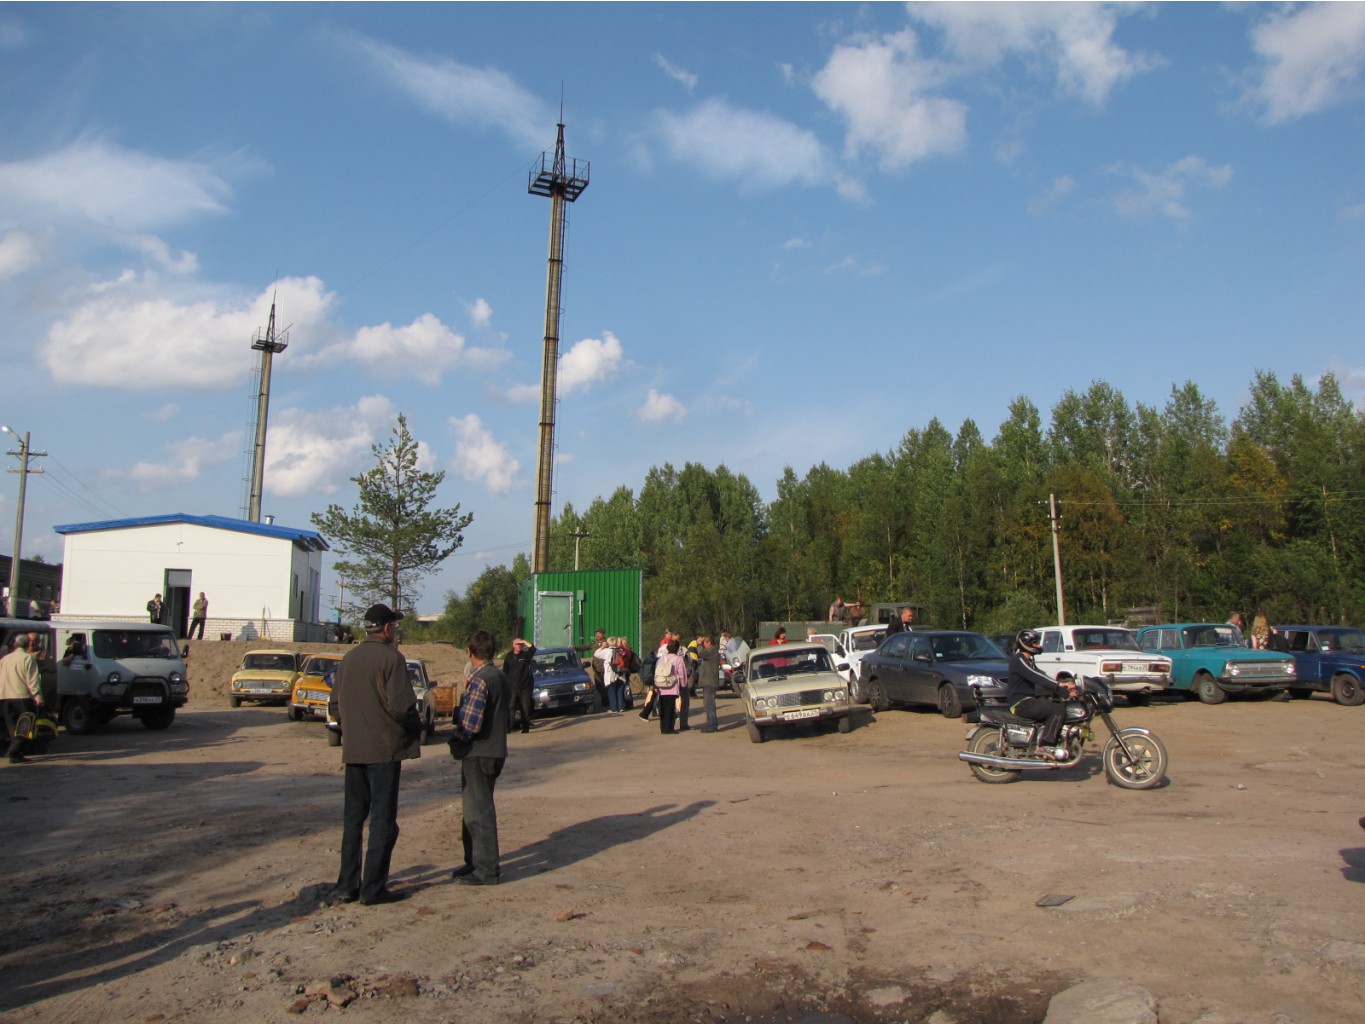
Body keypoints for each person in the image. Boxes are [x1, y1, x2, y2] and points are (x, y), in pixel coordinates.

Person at [330, 603, 421, 906]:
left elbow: (334, 706)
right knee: (382, 820)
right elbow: (402, 706)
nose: (395, 630)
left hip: (354, 751)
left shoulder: (349, 659)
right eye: (394, 626)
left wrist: (353, 730)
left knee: (353, 819)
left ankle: (346, 885)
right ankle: (373, 889)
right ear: (386, 629)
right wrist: (414, 727)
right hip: (384, 751)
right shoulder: (392, 659)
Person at [451, 629, 512, 886]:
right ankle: (474, 862)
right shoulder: (500, 676)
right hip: (494, 750)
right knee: (473, 809)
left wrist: (457, 738)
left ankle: (486, 870)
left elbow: (471, 724)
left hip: (479, 752)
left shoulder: (480, 680)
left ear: (469, 651)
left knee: (479, 813)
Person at [1004, 629, 1077, 760]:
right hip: (1021, 703)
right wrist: (1060, 687)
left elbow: (1042, 676)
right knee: (1057, 709)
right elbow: (1037, 677)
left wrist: (1064, 685)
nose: (1038, 645)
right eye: (1035, 643)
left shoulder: (1028, 661)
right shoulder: (1019, 660)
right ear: (1026, 643)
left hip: (1029, 700)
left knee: (1056, 704)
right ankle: (1045, 745)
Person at [1, 634, 44, 764]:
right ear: (27, 644)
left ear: (14, 644)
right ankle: (14, 751)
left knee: (12, 726)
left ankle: (16, 753)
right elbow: (33, 680)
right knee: (25, 726)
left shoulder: (5, 659)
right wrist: (38, 697)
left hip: (5, 696)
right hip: (22, 697)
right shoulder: (28, 658)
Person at [502, 638, 537, 733]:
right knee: (511, 707)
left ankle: (525, 728)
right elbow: (505, 672)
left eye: (520, 644)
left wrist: (524, 641)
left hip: (524, 688)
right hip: (512, 687)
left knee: (525, 708)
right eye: (517, 644)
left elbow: (533, 649)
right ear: (513, 645)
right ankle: (509, 728)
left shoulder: (525, 655)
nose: (519, 646)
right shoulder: (509, 657)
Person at [654, 638, 687, 735]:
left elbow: (657, 672)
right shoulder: (679, 659)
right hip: (673, 686)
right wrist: (683, 685)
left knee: (663, 708)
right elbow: (682, 674)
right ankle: (669, 728)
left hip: (661, 686)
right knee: (671, 708)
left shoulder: (661, 659)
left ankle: (663, 728)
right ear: (677, 649)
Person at [696, 635, 721, 732]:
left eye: (704, 643)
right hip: (709, 681)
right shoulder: (713, 651)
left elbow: (700, 653)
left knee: (709, 705)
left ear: (709, 643)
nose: (703, 645)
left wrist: (699, 644)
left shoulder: (711, 651)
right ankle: (711, 724)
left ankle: (712, 725)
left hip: (709, 681)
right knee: (709, 704)